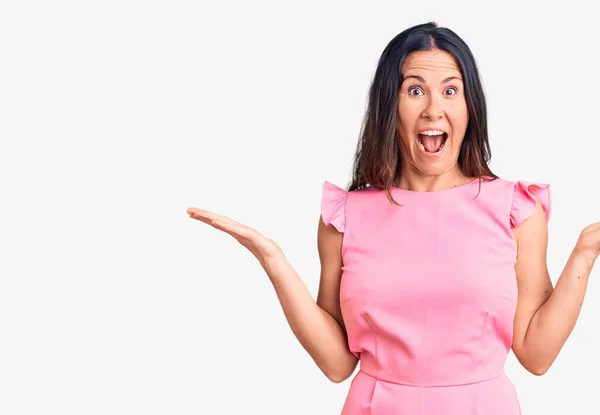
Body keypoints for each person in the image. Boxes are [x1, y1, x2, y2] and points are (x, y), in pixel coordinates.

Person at [187, 22, 600, 414]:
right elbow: (336, 363)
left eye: (451, 91)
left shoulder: (515, 210)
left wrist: (585, 251)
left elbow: (537, 354)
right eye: (415, 90)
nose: (434, 109)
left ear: (470, 106)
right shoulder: (345, 217)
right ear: (390, 105)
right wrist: (273, 259)